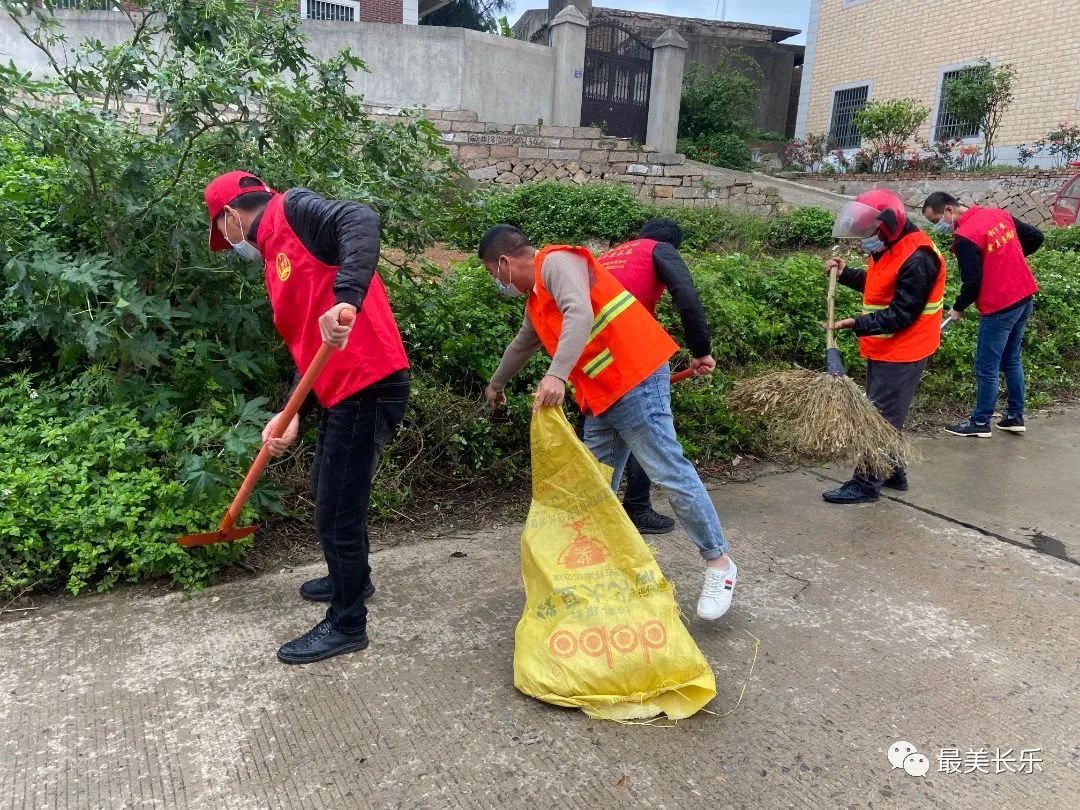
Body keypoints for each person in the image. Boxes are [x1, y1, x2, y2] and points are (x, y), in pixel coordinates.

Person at [479, 225, 737, 621]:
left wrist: (556, 375)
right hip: (602, 396)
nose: (498, 284)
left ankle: (719, 564)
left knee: (668, 471)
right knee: (594, 486)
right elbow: (521, 345)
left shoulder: (557, 262)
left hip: (635, 377)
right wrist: (496, 384)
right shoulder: (536, 301)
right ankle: (595, 574)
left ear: (504, 262)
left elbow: (579, 311)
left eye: (494, 276)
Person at [204, 171, 410, 665]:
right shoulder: (275, 258)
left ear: (231, 215)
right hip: (341, 388)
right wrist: (291, 411)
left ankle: (347, 623)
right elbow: (308, 346)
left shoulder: (292, 211)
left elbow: (360, 218)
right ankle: (353, 579)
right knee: (328, 488)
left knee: (335, 508)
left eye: (221, 229)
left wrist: (347, 297)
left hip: (369, 382)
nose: (228, 242)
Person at [588, 218, 715, 536]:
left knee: (601, 462)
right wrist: (701, 350)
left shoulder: (610, 256)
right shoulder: (660, 250)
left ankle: (601, 534)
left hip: (595, 366)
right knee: (659, 450)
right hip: (635, 358)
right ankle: (717, 558)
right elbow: (686, 294)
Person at [822, 188, 947, 504]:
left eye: (870, 231)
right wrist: (846, 273)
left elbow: (902, 314)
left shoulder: (919, 258)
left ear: (889, 225)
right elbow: (880, 286)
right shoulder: (891, 247)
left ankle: (866, 484)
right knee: (886, 413)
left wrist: (857, 324)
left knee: (877, 419)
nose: (866, 237)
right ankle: (893, 472)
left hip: (904, 350)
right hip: (885, 347)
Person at [921, 192, 1042, 437]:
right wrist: (1006, 261)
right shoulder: (997, 214)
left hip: (1000, 306)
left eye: (936, 221)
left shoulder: (965, 237)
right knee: (1011, 358)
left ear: (948, 211)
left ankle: (980, 422)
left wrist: (958, 308)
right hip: (1024, 296)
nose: (938, 227)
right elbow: (1036, 237)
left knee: (986, 366)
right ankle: (1014, 416)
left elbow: (972, 282)